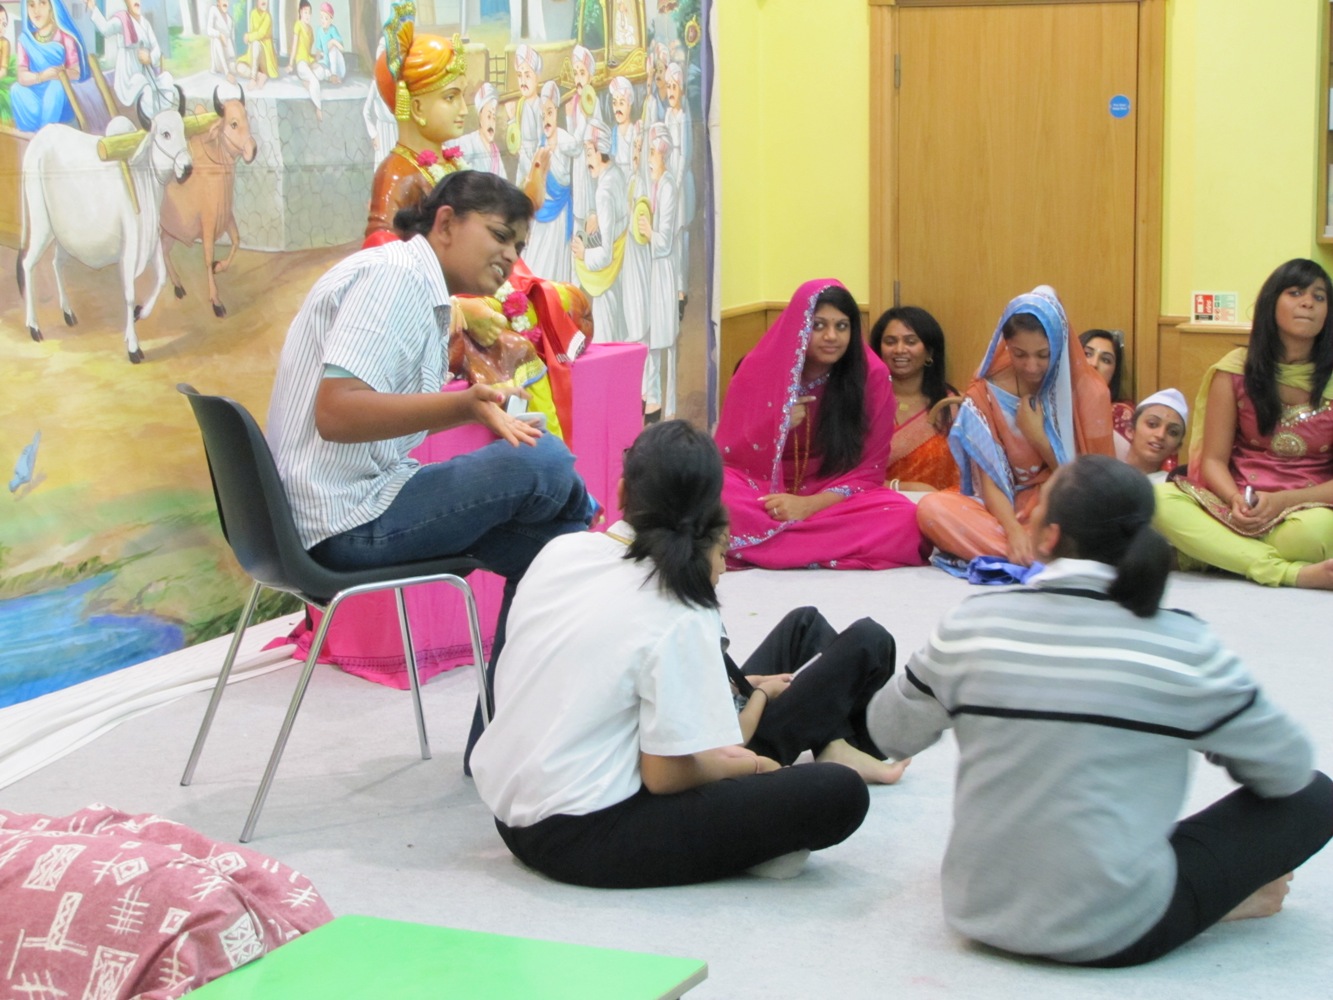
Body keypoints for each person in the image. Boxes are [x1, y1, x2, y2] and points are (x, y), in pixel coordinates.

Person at [867, 454, 1332, 967]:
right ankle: (1218, 901)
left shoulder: (970, 623)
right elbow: (1284, 770)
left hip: (975, 907)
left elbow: (888, 731)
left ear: (1048, 537)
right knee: (1316, 796)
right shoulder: (1184, 644)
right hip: (1114, 929)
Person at [470, 420, 870, 888]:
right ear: (713, 515)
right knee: (838, 792)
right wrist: (755, 767)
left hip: (508, 814)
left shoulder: (562, 550)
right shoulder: (682, 603)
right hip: (583, 836)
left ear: (621, 491)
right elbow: (664, 776)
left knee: (759, 711)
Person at [267, 171, 593, 698]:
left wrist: (470, 407)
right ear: (446, 223)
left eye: (519, 245)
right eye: (499, 235)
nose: (511, 256)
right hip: (341, 521)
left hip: (345, 507)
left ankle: (507, 731)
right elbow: (337, 413)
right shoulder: (397, 280)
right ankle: (516, 730)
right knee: (547, 462)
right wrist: (461, 407)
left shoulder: (405, 278)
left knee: (561, 548)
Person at [717, 279, 930, 570]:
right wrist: (776, 427)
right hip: (762, 492)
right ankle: (807, 548)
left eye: (841, 326)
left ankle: (767, 547)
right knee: (715, 492)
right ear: (798, 326)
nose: (831, 336)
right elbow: (731, 453)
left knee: (903, 517)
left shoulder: (871, 377)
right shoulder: (757, 370)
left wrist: (807, 506)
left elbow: (868, 471)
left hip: (831, 494)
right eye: (818, 325)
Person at [1155, 258, 1333, 588]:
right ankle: (1288, 572)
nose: (1308, 302)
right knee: (1159, 501)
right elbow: (1213, 460)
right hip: (1237, 503)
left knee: (1315, 535)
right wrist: (1236, 499)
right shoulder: (1235, 370)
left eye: (1319, 297)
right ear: (1271, 303)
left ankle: (1211, 553)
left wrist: (1281, 502)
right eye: (1296, 292)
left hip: (1305, 509)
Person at [916, 286, 1113, 565]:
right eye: (1020, 354)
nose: (1031, 366)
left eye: (1043, 355)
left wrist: (1038, 436)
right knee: (932, 509)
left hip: (1062, 508)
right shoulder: (984, 394)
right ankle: (1037, 555)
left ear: (1059, 345)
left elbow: (1092, 488)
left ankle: (1029, 554)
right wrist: (1013, 532)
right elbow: (991, 482)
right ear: (1005, 345)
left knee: (1096, 525)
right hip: (1004, 511)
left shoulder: (1089, 393)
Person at [726, 608, 909, 786]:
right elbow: (717, 741)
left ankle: (834, 741)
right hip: (736, 743)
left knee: (804, 621)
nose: (723, 574)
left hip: (734, 701)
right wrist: (762, 694)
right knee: (869, 638)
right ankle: (836, 747)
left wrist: (752, 682)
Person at [363, 10, 468, 244]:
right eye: (451, 97)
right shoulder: (398, 172)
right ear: (417, 108)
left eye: (463, 96)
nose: (464, 110)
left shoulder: (450, 163)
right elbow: (380, 248)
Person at [869, 306, 960, 493]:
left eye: (911, 341)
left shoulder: (953, 407)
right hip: (877, 510)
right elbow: (846, 477)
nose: (900, 350)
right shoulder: (862, 403)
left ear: (929, 352)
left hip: (943, 514)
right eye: (890, 342)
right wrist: (901, 488)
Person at [571, 118, 629, 343]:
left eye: (588, 153)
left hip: (607, 284)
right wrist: (596, 215)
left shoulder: (603, 192)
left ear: (600, 151)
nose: (587, 161)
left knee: (606, 341)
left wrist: (584, 254)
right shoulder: (616, 175)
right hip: (619, 278)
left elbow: (605, 254)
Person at [86, 0, 176, 115]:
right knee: (143, 84)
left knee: (166, 79)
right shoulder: (122, 20)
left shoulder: (145, 23)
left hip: (147, 73)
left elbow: (156, 49)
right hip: (129, 77)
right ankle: (152, 121)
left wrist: (150, 57)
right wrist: (93, 8)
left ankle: (165, 116)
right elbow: (106, 29)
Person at [11, 0, 88, 133]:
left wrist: (58, 74)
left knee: (55, 86)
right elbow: (22, 75)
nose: (36, 10)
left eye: (42, 3)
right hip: (35, 91)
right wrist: (42, 76)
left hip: (59, 94)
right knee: (16, 90)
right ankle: (30, 135)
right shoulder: (25, 39)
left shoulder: (64, 35)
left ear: (52, 7)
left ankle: (44, 134)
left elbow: (77, 72)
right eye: (31, 5)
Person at [1120, 388, 1187, 481]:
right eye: (1152, 424)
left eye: (1172, 432)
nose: (1160, 435)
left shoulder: (1172, 489)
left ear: (1177, 447)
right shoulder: (1105, 475)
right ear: (1130, 430)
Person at [286, 0, 325, 122]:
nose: (307, 15)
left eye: (309, 13)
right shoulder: (298, 25)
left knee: (321, 72)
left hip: (308, 60)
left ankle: (305, 82)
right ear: (300, 13)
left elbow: (309, 51)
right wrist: (290, 64)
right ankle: (318, 108)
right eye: (305, 12)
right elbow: (295, 46)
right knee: (314, 81)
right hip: (301, 62)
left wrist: (316, 57)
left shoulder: (311, 29)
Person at [235, 0, 277, 89]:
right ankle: (260, 75)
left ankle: (253, 78)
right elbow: (253, 33)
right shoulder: (253, 13)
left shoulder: (267, 17)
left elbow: (260, 34)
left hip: (266, 54)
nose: (264, 1)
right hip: (254, 53)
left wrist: (248, 36)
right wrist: (250, 37)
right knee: (239, 67)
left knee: (256, 43)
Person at [313, 2, 344, 85]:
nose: (323, 20)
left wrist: (332, 42)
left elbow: (341, 48)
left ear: (331, 20)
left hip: (337, 66)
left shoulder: (333, 29)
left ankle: (334, 75)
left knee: (332, 48)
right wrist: (316, 62)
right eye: (321, 18)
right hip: (326, 63)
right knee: (318, 72)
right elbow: (318, 49)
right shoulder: (319, 30)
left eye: (326, 18)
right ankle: (330, 77)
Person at [206, 0, 237, 82]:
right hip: (218, 58)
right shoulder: (213, 10)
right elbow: (209, 30)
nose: (225, 2)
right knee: (217, 39)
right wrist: (219, 34)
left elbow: (232, 40)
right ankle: (227, 73)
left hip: (228, 57)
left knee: (236, 68)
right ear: (218, 2)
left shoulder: (230, 19)